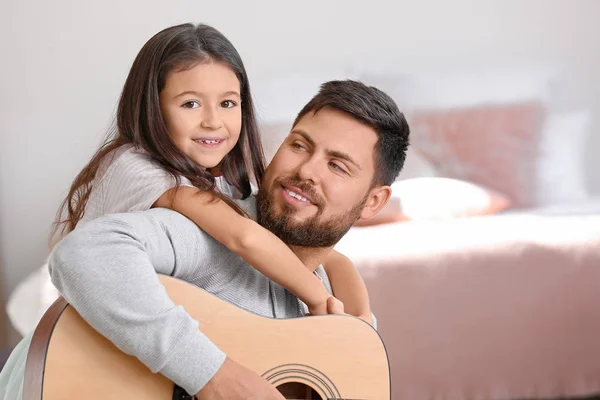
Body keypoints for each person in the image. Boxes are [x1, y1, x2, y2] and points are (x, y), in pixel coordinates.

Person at [0, 80, 409, 399]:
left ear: (374, 201)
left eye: (337, 165)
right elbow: (83, 253)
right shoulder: (211, 229)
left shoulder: (334, 304)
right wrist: (212, 375)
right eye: (299, 145)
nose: (307, 170)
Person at [49, 22, 369, 319]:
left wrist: (361, 323)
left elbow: (332, 259)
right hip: (100, 333)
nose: (212, 121)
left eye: (227, 104)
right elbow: (243, 237)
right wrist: (315, 299)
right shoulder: (135, 167)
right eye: (191, 104)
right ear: (152, 106)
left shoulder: (224, 179)